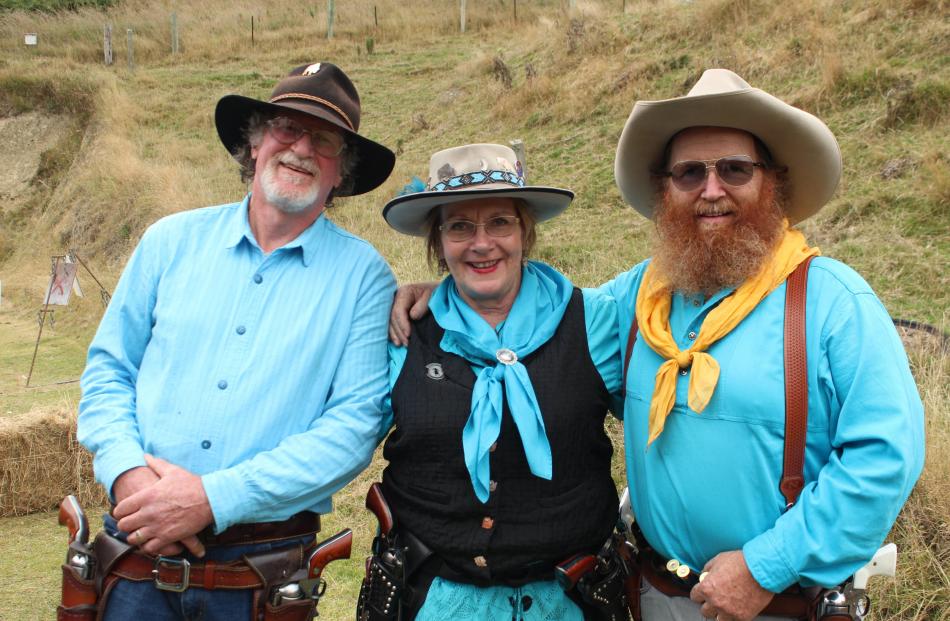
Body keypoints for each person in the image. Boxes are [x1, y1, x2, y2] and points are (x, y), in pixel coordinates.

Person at [390, 70, 925, 621]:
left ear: (773, 182)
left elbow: (885, 458)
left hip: (778, 602)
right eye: (689, 172)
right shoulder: (636, 299)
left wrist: (769, 564)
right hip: (649, 595)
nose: (711, 189)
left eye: (734, 169)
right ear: (666, 187)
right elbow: (539, 318)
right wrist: (451, 297)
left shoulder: (831, 303)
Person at [77, 62, 396, 620]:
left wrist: (210, 499)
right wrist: (128, 475)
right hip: (136, 547)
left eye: (322, 139)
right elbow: (109, 371)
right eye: (285, 128)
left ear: (340, 169)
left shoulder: (365, 278)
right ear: (254, 143)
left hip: (260, 571)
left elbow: (353, 426)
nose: (299, 147)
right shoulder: (167, 242)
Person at [366, 143, 625, 621]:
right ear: (438, 244)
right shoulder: (404, 333)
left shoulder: (595, 322)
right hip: (435, 600)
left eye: (500, 223)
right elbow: (347, 432)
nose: (481, 243)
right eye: (460, 226)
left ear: (524, 233)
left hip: (570, 601)